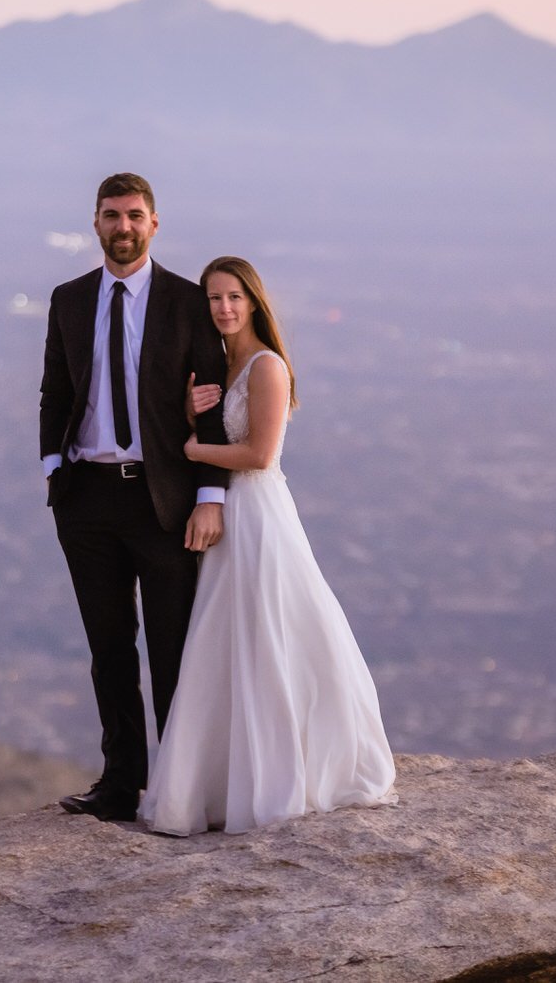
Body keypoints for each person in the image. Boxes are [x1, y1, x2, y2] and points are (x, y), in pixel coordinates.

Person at [140, 255, 396, 835]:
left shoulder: (265, 366)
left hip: (259, 515)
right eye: (213, 299)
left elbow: (260, 454)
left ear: (254, 301)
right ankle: (223, 783)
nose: (223, 308)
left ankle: (284, 774)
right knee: (225, 642)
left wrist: (193, 451)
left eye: (233, 297)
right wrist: (186, 415)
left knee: (273, 634)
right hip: (232, 518)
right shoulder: (218, 365)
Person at [39, 173, 231, 823]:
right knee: (110, 648)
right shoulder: (68, 299)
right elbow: (55, 391)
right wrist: (53, 474)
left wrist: (211, 496)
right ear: (95, 223)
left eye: (135, 216)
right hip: (87, 499)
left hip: (164, 500)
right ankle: (122, 782)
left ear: (155, 223)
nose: (123, 227)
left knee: (174, 648)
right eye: (111, 216)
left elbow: (213, 409)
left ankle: (184, 787)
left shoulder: (187, 302)